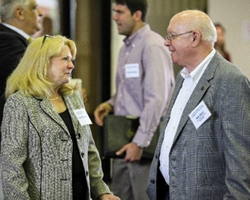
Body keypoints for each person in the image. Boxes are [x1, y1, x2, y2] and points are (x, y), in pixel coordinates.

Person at [0, 35, 120, 200]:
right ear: (42, 62)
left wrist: (101, 190)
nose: (71, 65)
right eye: (65, 59)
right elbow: (11, 166)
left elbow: (88, 149)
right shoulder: (20, 103)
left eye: (71, 59)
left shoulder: (74, 97)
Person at [147, 10, 250, 200]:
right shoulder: (183, 76)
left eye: (172, 36)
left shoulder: (231, 80)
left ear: (194, 38)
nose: (166, 42)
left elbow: (242, 163)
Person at [94, 0, 174, 199]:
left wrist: (139, 143)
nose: (114, 17)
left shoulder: (152, 46)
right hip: (123, 141)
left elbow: (157, 99)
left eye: (120, 12)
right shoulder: (126, 49)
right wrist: (109, 104)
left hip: (145, 143)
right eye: (114, 11)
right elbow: (127, 90)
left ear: (137, 15)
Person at [0, 0, 43, 128]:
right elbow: (35, 75)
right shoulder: (5, 39)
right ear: (19, 13)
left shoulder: (22, 41)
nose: (40, 13)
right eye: (35, 8)